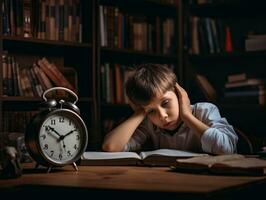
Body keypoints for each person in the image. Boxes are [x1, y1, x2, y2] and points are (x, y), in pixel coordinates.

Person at [102, 63, 238, 154]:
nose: (162, 116)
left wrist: (187, 117)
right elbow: (110, 147)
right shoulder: (149, 124)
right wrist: (140, 113)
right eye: (151, 111)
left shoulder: (205, 111)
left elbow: (226, 149)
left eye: (165, 103)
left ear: (179, 94)